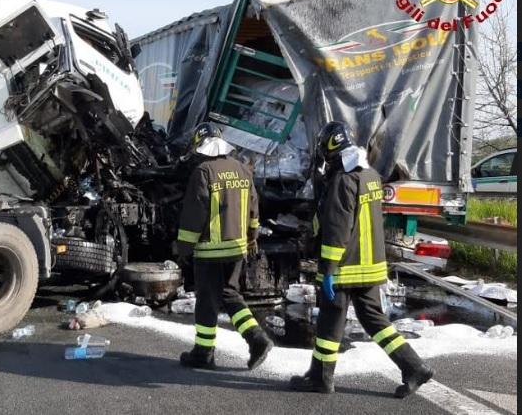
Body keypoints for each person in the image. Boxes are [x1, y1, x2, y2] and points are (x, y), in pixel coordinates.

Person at [290, 121, 433, 397]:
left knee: (330, 322)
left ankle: (321, 379)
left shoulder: (343, 181)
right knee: (374, 320)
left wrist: (329, 268)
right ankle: (414, 367)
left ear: (330, 147)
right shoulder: (369, 175)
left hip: (346, 267)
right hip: (371, 266)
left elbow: (336, 229)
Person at [176, 122, 273, 370]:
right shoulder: (242, 170)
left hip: (209, 251)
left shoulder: (203, 171)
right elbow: (254, 208)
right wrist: (252, 237)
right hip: (237, 249)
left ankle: (204, 353)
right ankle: (257, 339)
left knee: (207, 301)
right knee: (230, 295)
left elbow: (194, 215)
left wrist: (184, 248)